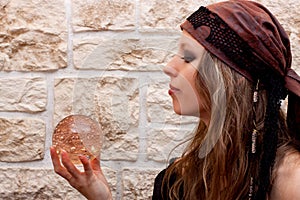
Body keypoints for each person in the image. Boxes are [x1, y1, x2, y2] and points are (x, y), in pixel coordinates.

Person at [50, 0, 300, 199]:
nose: (169, 67)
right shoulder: (180, 180)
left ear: (233, 78)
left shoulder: (292, 180)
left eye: (188, 57)